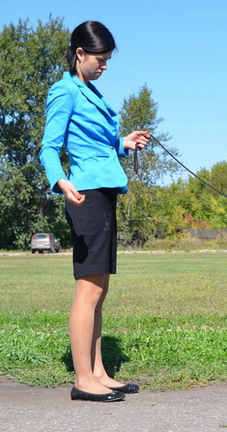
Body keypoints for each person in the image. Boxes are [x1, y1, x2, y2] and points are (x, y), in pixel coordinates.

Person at [40, 21, 149, 402]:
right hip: (84, 195)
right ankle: (82, 380)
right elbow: (49, 148)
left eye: (108, 60)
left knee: (100, 290)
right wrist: (61, 181)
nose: (105, 66)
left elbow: (97, 145)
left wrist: (124, 142)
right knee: (87, 289)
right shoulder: (65, 91)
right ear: (80, 54)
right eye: (100, 59)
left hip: (104, 192)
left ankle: (99, 372)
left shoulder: (91, 92)